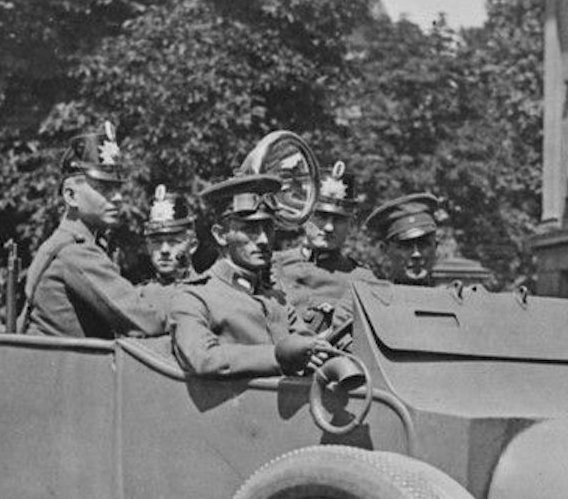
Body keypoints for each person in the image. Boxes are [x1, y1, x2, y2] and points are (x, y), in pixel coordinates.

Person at [168, 173, 336, 379]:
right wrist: (278, 356)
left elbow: (307, 343)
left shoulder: (277, 299)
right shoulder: (193, 297)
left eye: (267, 227)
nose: (264, 239)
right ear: (221, 235)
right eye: (250, 230)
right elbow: (204, 358)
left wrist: (315, 352)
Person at [21, 122, 169, 339]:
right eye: (104, 188)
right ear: (71, 195)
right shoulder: (77, 252)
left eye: (117, 188)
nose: (118, 197)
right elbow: (149, 323)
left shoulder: (70, 244)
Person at [271, 160, 374, 324]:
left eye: (339, 219)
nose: (328, 227)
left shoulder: (364, 281)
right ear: (304, 215)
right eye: (320, 216)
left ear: (351, 224)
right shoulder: (273, 266)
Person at [362, 192, 443, 284]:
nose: (416, 254)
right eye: (405, 246)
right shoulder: (368, 297)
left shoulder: (453, 297)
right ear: (385, 250)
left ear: (435, 246)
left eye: (423, 244)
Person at [144, 185, 201, 285]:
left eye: (173, 242)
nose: (164, 250)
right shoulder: (137, 296)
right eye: (157, 242)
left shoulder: (209, 293)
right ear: (148, 247)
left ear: (192, 245)